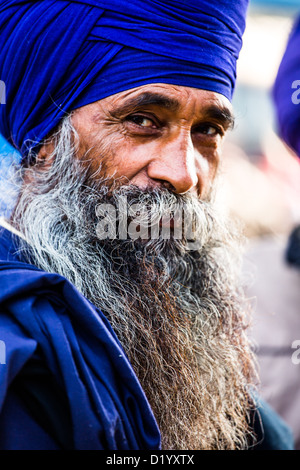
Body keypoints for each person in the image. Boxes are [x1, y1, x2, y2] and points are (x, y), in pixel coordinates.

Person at [0, 0, 294, 450]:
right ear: (44, 140)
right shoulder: (16, 346)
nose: (184, 174)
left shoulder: (196, 359)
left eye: (207, 131)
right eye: (142, 121)